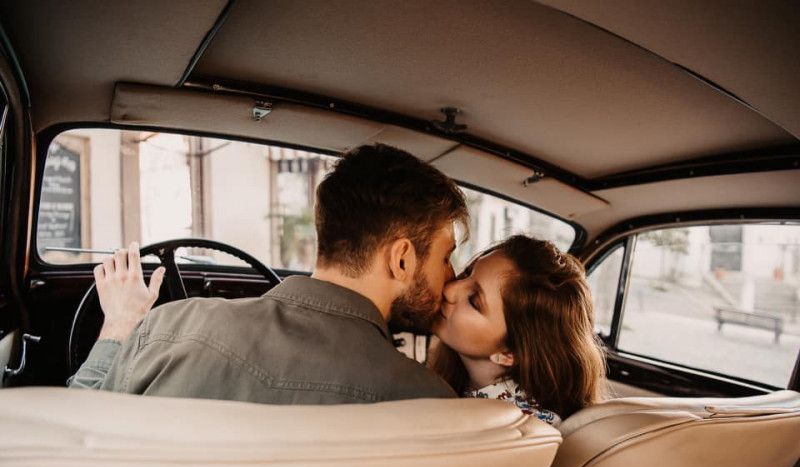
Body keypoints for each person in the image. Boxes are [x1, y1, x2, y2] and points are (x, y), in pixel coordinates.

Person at [69, 143, 469, 404]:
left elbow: (74, 435)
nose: (451, 276)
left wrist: (119, 327)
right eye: (445, 257)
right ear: (402, 260)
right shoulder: (428, 401)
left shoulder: (169, 330)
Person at [428, 235, 608, 426]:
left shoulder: (512, 429)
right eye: (467, 273)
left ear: (508, 354)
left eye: (474, 301)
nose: (450, 289)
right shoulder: (464, 389)